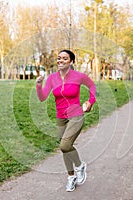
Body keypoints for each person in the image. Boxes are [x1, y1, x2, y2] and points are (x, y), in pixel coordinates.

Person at [36, 49, 96, 192]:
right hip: (60, 118)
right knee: (66, 150)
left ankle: (80, 166)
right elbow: (43, 97)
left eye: (64, 58)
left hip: (76, 115)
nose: (60, 61)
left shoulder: (78, 76)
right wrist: (38, 85)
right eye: (59, 58)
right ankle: (71, 177)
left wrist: (90, 102)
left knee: (64, 145)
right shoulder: (52, 78)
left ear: (71, 62)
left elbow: (92, 86)